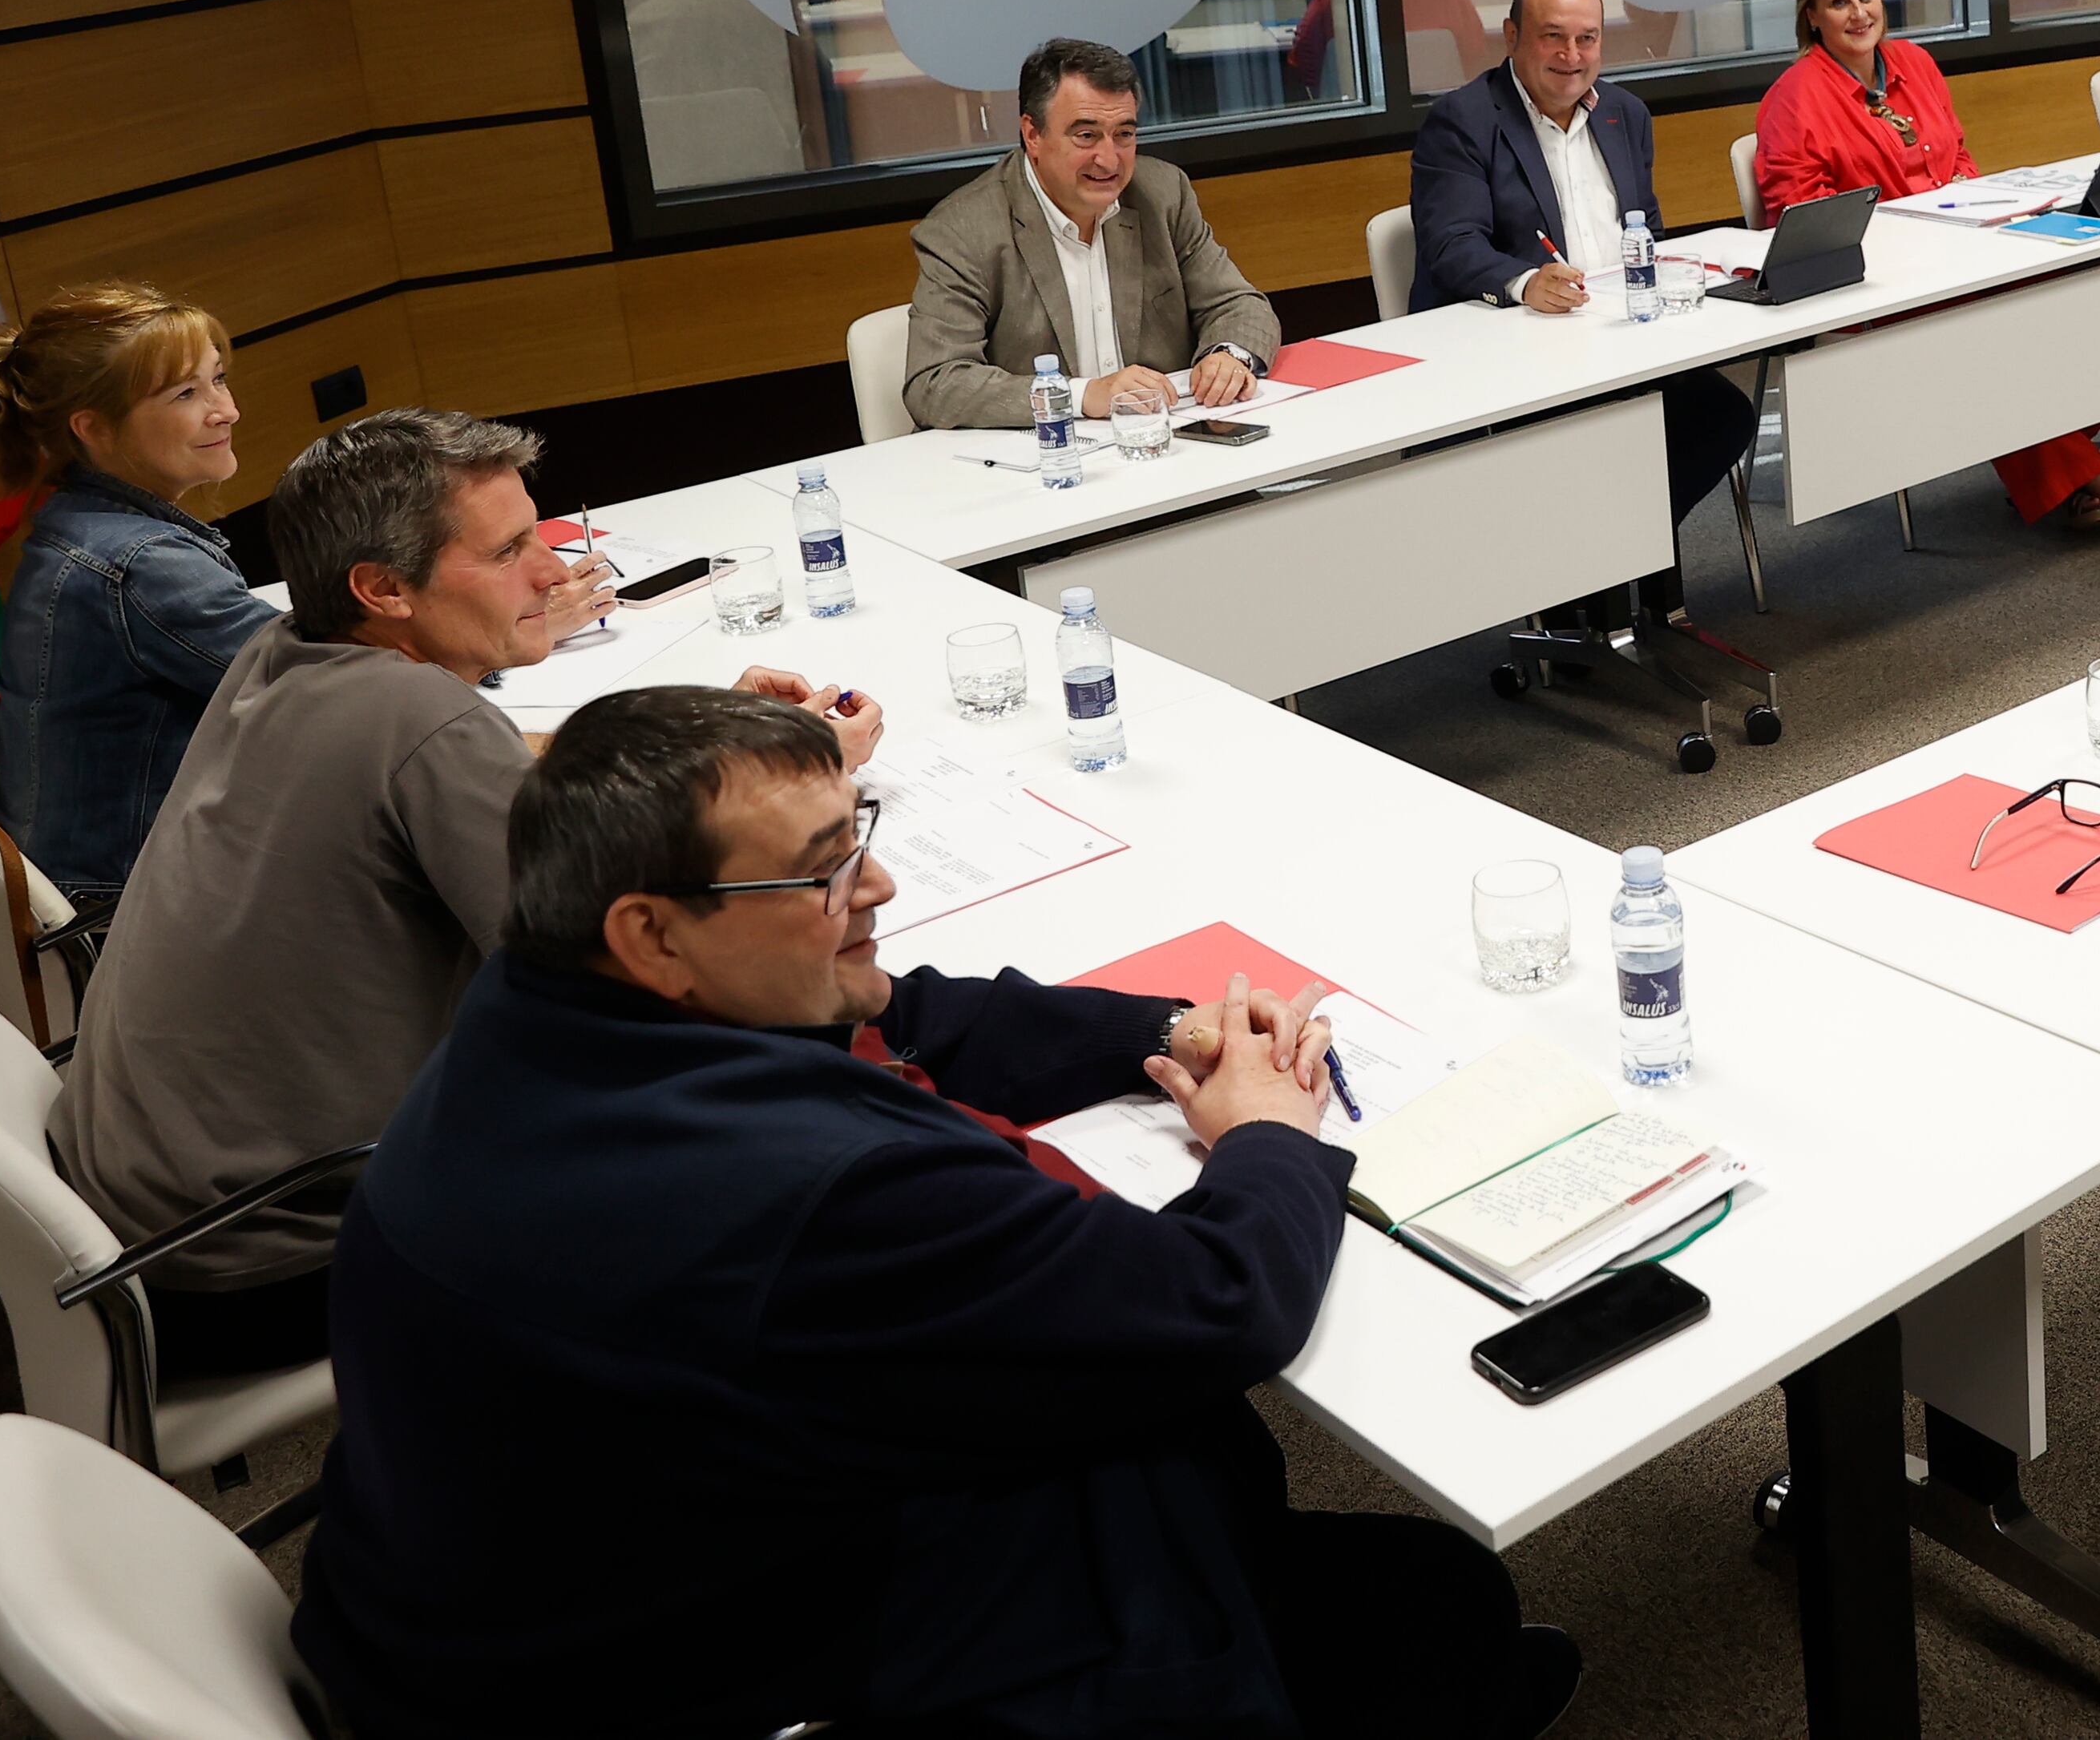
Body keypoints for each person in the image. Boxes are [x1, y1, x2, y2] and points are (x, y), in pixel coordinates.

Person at [293, 684, 1579, 1740]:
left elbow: (902, 1012)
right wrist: (1265, 1136)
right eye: (823, 870)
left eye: (860, 829)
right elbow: (1216, 1304)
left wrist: (1161, 1028)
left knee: (1395, 1595)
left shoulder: (546, 1005)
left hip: (500, 1604)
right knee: (1430, 1601)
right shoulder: (815, 1192)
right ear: (653, 933)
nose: (882, 885)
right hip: (693, 1679)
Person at [46, 409, 878, 1379]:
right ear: (384, 588)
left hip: (149, 1210)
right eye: (511, 550)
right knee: (741, 1146)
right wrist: (793, 781)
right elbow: (626, 988)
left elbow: (497, 767)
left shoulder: (289, 653)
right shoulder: (416, 719)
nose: (555, 574)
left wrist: (718, 742)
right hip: (264, 1261)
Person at [1755, 0, 2100, 543]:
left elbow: (1957, 154)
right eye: (1838, 2)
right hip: (1880, 288)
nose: (1858, 14)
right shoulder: (1794, 98)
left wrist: (1972, 196)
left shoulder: (1914, 63)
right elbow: (1800, 219)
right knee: (1993, 337)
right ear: (1811, 15)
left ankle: (2073, 472)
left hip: (1963, 252)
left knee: (2083, 285)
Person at [1406, 0, 1759, 528]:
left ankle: (1626, 570)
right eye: (1553, 36)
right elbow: (1451, 245)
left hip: (1618, 341)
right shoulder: (1463, 121)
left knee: (1724, 416)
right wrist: (1525, 282)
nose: (1572, 54)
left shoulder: (1625, 115)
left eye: (1587, 38)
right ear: (1512, 36)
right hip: (1518, 354)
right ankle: (1603, 591)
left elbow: (1648, 231)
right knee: (1601, 440)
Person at [0, 285, 271, 896]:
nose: (226, 410)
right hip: (126, 922)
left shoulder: (80, 525)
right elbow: (339, 683)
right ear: (96, 429)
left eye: (218, 379)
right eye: (187, 393)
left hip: (103, 893)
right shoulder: (135, 562)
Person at [907, 35, 1283, 430]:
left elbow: (1240, 304)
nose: (1109, 160)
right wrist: (1084, 396)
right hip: (1046, 463)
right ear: (1033, 135)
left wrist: (1229, 355)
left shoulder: (1162, 194)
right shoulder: (963, 230)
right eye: (1086, 135)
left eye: (1124, 134)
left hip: (1164, 445)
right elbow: (935, 383)